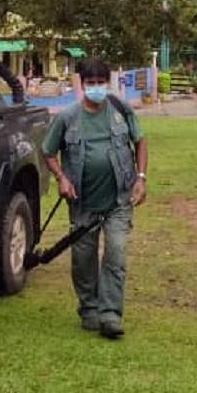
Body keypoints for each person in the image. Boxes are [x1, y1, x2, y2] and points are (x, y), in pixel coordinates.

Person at [42, 58, 148, 339]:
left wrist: (141, 178)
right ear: (81, 84)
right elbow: (48, 152)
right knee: (83, 258)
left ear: (108, 82)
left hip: (118, 200)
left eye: (102, 82)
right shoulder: (67, 118)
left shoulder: (120, 110)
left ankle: (111, 314)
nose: (97, 88)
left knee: (116, 253)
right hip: (82, 202)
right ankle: (89, 307)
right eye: (91, 83)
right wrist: (61, 178)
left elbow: (140, 141)